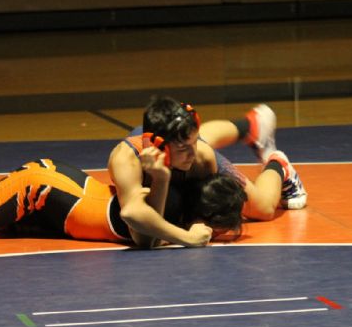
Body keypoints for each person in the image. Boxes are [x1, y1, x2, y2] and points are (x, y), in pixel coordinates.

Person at [0, 153, 246, 249]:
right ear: (206, 218)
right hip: (36, 190)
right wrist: (188, 238)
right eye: (221, 230)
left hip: (58, 191)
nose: (220, 236)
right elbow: (143, 233)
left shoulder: (174, 203)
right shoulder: (165, 208)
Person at [107, 98, 306, 243]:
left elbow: (210, 206)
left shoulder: (200, 157)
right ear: (157, 147)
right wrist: (186, 236)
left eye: (194, 142)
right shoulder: (126, 160)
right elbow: (139, 232)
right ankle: (251, 125)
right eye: (184, 148)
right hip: (161, 148)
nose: (192, 153)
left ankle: (278, 164)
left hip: (178, 148)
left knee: (264, 208)